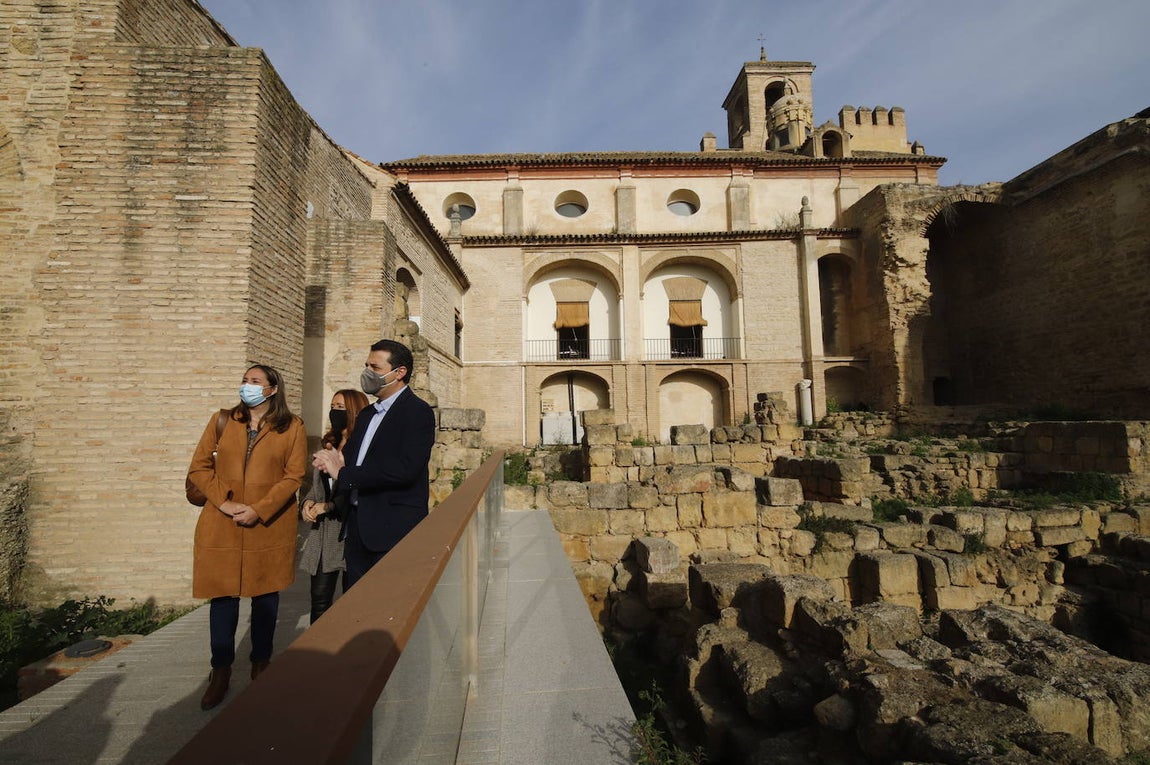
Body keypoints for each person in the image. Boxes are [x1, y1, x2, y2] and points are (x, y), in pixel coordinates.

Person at [186, 364, 307, 711]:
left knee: (265, 598)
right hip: (222, 522)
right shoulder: (223, 420)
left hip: (268, 523)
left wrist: (259, 508)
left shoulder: (292, 426)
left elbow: (294, 475)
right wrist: (224, 502)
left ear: (272, 390)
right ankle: (220, 671)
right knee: (222, 598)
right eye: (244, 380)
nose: (247, 386)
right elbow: (198, 467)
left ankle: (261, 663)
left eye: (255, 382)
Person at [312, 339, 436, 588]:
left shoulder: (417, 412)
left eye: (376, 368)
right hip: (357, 529)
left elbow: (406, 470)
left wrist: (343, 473)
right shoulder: (367, 414)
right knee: (355, 609)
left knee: (388, 607)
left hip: (393, 530)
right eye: (366, 365)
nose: (367, 373)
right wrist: (335, 461)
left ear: (400, 372)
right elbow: (357, 461)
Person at [298, 388, 369, 623]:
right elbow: (315, 485)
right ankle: (318, 653)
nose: (334, 412)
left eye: (340, 408)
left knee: (353, 599)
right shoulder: (329, 443)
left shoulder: (362, 448)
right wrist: (308, 502)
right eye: (333, 406)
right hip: (324, 533)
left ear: (355, 412)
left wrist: (328, 506)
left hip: (348, 530)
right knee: (319, 599)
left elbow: (358, 487)